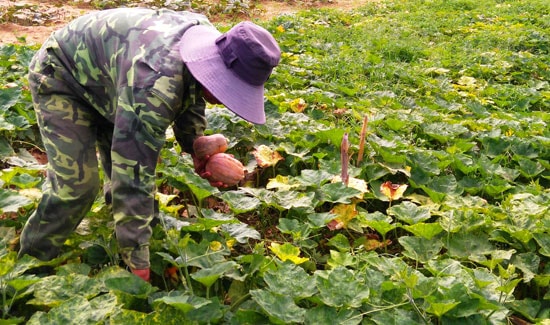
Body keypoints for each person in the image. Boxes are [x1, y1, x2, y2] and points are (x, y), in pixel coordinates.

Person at [17, 8, 281, 282]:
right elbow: (132, 175)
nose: (228, 98)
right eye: (229, 88)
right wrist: (139, 264)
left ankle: (121, 239)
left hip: (112, 80)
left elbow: (193, 87)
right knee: (77, 187)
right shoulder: (153, 86)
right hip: (62, 74)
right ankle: (28, 266)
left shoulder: (208, 45)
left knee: (126, 172)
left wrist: (195, 144)